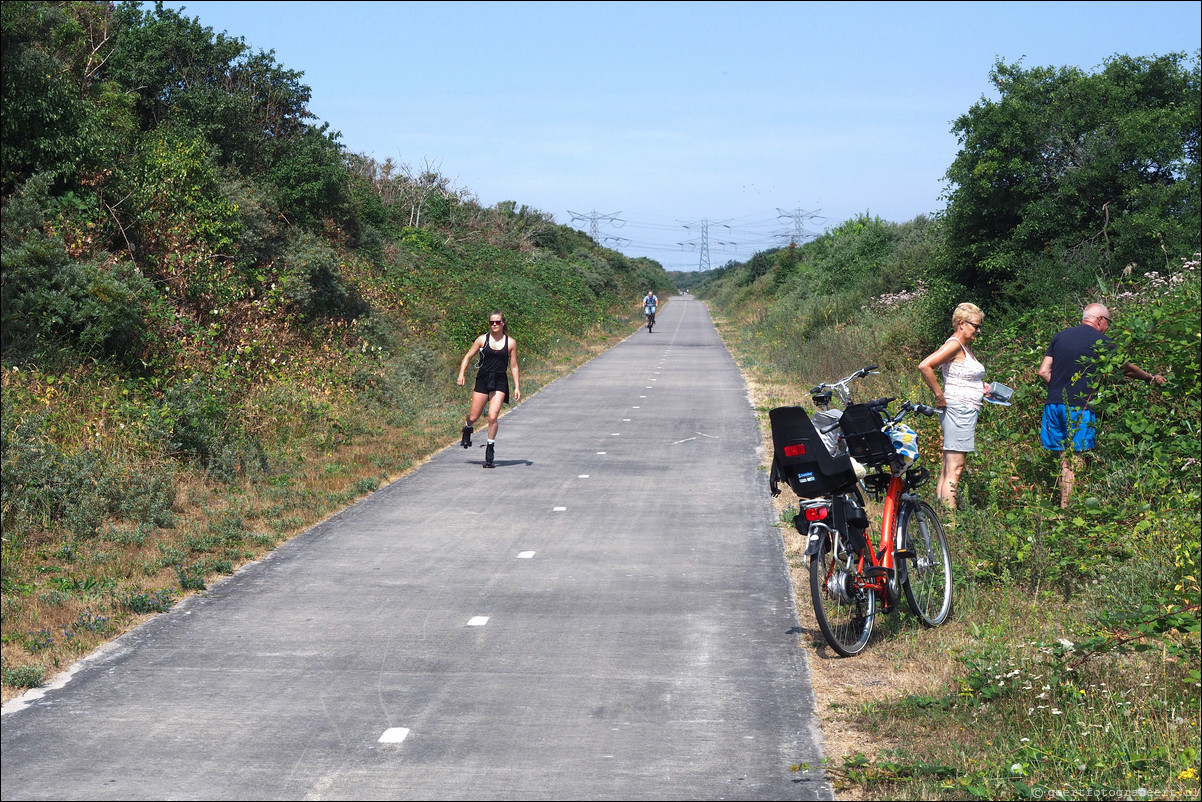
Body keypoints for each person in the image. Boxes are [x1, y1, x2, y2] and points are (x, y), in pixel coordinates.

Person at [1038, 302, 1165, 507]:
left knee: (1064, 456)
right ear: (1099, 320)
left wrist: (1062, 389)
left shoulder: (1060, 336)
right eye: (1108, 323)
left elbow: (1043, 371)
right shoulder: (1102, 341)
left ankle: (1065, 503)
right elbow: (1128, 369)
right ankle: (1068, 509)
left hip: (1053, 404)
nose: (1108, 328)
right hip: (1079, 407)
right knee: (1075, 457)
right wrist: (1150, 378)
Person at [918, 302, 989, 510]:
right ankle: (950, 523)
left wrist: (981, 386)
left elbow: (959, 374)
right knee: (956, 468)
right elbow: (925, 366)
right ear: (961, 324)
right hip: (959, 410)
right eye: (975, 325)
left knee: (949, 467)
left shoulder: (962, 346)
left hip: (962, 408)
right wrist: (939, 395)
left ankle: (941, 516)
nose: (978, 330)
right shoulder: (955, 344)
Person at [457, 311, 521, 468]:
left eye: (497, 322)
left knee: (492, 416)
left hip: (499, 381)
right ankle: (468, 428)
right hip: (483, 379)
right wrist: (461, 374)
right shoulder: (482, 340)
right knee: (474, 416)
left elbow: (513, 366)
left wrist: (517, 386)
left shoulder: (510, 343)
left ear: (503, 323)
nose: (494, 325)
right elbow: (467, 357)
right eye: (492, 322)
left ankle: (490, 450)